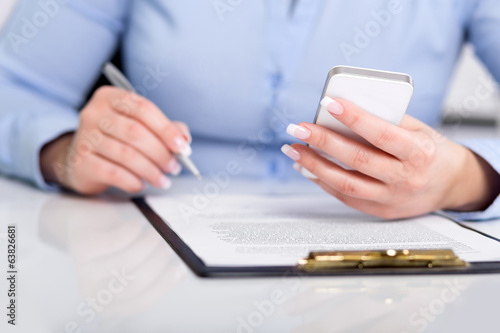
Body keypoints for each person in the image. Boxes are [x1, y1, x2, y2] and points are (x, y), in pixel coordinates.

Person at [0, 0, 499, 220]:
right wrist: (61, 150)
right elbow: (11, 88)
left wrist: (469, 180)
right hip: (141, 254)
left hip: (387, 266)